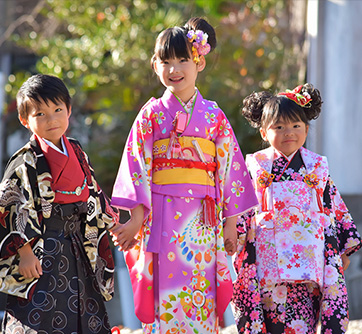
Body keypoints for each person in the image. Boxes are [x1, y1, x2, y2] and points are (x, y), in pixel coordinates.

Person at [110, 17, 258, 334]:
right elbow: (136, 165)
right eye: (166, 61)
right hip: (161, 214)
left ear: (198, 61)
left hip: (202, 219)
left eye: (182, 60)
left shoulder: (214, 116)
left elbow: (230, 168)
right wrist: (136, 218)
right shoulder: (150, 114)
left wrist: (231, 223)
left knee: (201, 294)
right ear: (155, 65)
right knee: (165, 292)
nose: (174, 69)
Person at [231, 83, 362, 334]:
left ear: (306, 128)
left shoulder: (316, 166)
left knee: (303, 318)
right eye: (278, 127)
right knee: (269, 317)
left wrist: (342, 249)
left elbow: (331, 205)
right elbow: (243, 206)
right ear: (263, 133)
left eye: (295, 126)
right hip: (265, 257)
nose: (288, 132)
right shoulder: (256, 166)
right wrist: (233, 233)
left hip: (309, 257)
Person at [0, 74, 119, 333]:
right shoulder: (25, 160)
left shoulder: (77, 151)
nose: (51, 119)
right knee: (38, 316)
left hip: (78, 243)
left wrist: (113, 221)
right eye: (39, 114)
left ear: (69, 110)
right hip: (42, 249)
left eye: (57, 110)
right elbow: (11, 206)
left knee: (84, 312)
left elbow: (93, 191)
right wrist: (24, 251)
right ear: (25, 120)